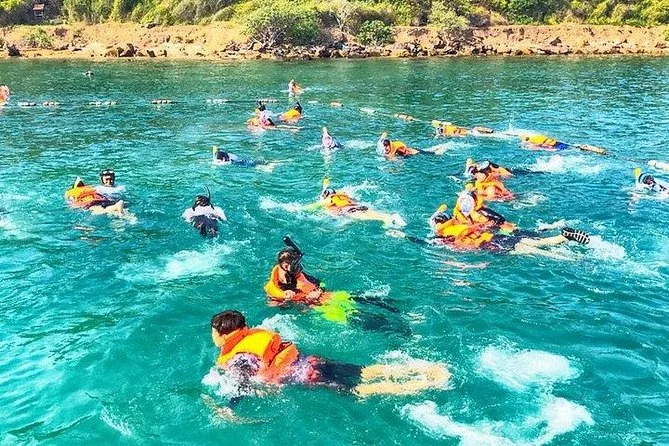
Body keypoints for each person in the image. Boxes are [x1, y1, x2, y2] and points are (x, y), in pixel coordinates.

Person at [210, 310, 451, 399]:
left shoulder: (240, 357)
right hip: (310, 361)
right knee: (362, 371)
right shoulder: (256, 335)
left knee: (359, 390)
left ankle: (420, 385)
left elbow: (240, 384)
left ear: (224, 334)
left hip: (308, 376)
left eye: (213, 331)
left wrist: (229, 407)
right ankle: (422, 369)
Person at [305, 179, 406, 227]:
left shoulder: (328, 200)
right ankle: (389, 216)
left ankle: (387, 221)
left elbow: (312, 206)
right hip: (360, 206)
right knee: (376, 214)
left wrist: (299, 208)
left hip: (350, 211)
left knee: (370, 218)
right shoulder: (343, 195)